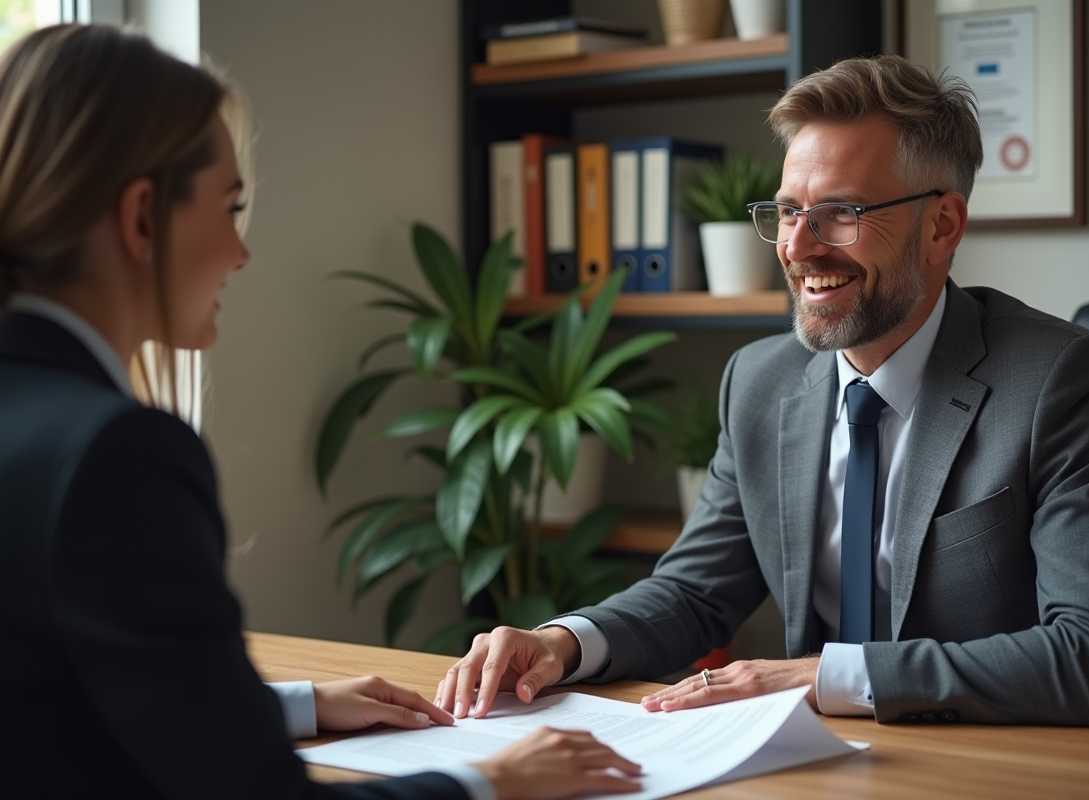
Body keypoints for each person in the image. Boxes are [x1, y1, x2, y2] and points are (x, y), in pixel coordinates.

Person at [437, 55, 1089, 737]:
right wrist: (559, 643)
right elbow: (696, 593)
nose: (797, 249)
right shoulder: (760, 384)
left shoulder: (1060, 380)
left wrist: (821, 677)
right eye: (789, 211)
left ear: (942, 225)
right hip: (845, 762)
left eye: (842, 213)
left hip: (1059, 766)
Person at [0, 24, 643, 799]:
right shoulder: (115, 452)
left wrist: (293, 705)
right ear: (142, 220)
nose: (241, 254)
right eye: (229, 208)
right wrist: (491, 784)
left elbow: (51, 701)